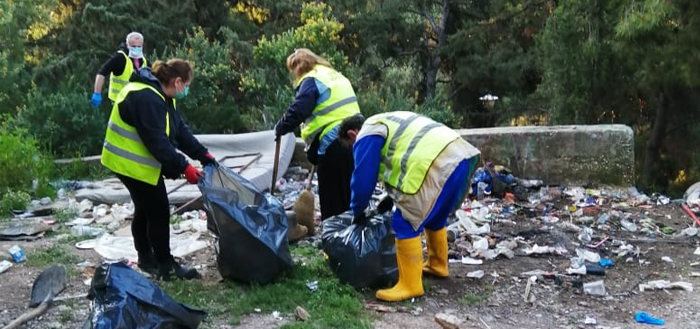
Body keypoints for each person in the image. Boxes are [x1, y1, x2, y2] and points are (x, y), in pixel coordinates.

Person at [338, 111, 481, 302]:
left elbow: (363, 180)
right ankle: (438, 265)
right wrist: (390, 198)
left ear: (352, 134)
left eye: (351, 147)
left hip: (434, 164)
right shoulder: (387, 120)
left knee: (405, 220)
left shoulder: (366, 133)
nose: (353, 150)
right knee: (435, 216)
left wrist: (357, 210)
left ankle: (410, 285)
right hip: (459, 156)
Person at [101, 58, 216, 280]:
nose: (187, 90)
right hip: (127, 162)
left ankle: (147, 258)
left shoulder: (162, 96)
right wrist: (184, 167)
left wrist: (203, 155)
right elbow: (158, 142)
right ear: (178, 81)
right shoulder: (146, 98)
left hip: (135, 161)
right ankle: (165, 265)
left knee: (146, 209)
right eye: (187, 85)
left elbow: (179, 131)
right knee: (158, 210)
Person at [274, 48, 361, 220]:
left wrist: (281, 127)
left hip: (333, 142)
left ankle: (334, 240)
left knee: (331, 197)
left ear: (299, 67)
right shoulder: (333, 75)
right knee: (348, 191)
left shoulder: (311, 79)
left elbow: (299, 109)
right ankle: (351, 235)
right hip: (355, 139)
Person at [91, 31, 149, 108]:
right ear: (127, 45)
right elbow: (102, 73)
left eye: (139, 47)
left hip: (137, 104)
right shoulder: (120, 58)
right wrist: (97, 93)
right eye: (133, 46)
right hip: (119, 102)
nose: (136, 49)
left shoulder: (144, 61)